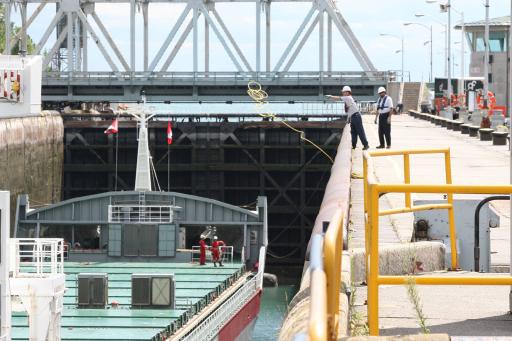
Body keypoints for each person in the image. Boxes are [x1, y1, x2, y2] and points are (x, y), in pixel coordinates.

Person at [326, 86, 369, 150]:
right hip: (353, 117)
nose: (343, 93)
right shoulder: (347, 99)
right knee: (353, 132)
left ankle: (366, 145)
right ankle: (354, 145)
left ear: (347, 92)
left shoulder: (348, 98)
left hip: (356, 116)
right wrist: (348, 119)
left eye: (343, 92)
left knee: (360, 131)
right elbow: (350, 111)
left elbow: (338, 98)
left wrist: (331, 96)